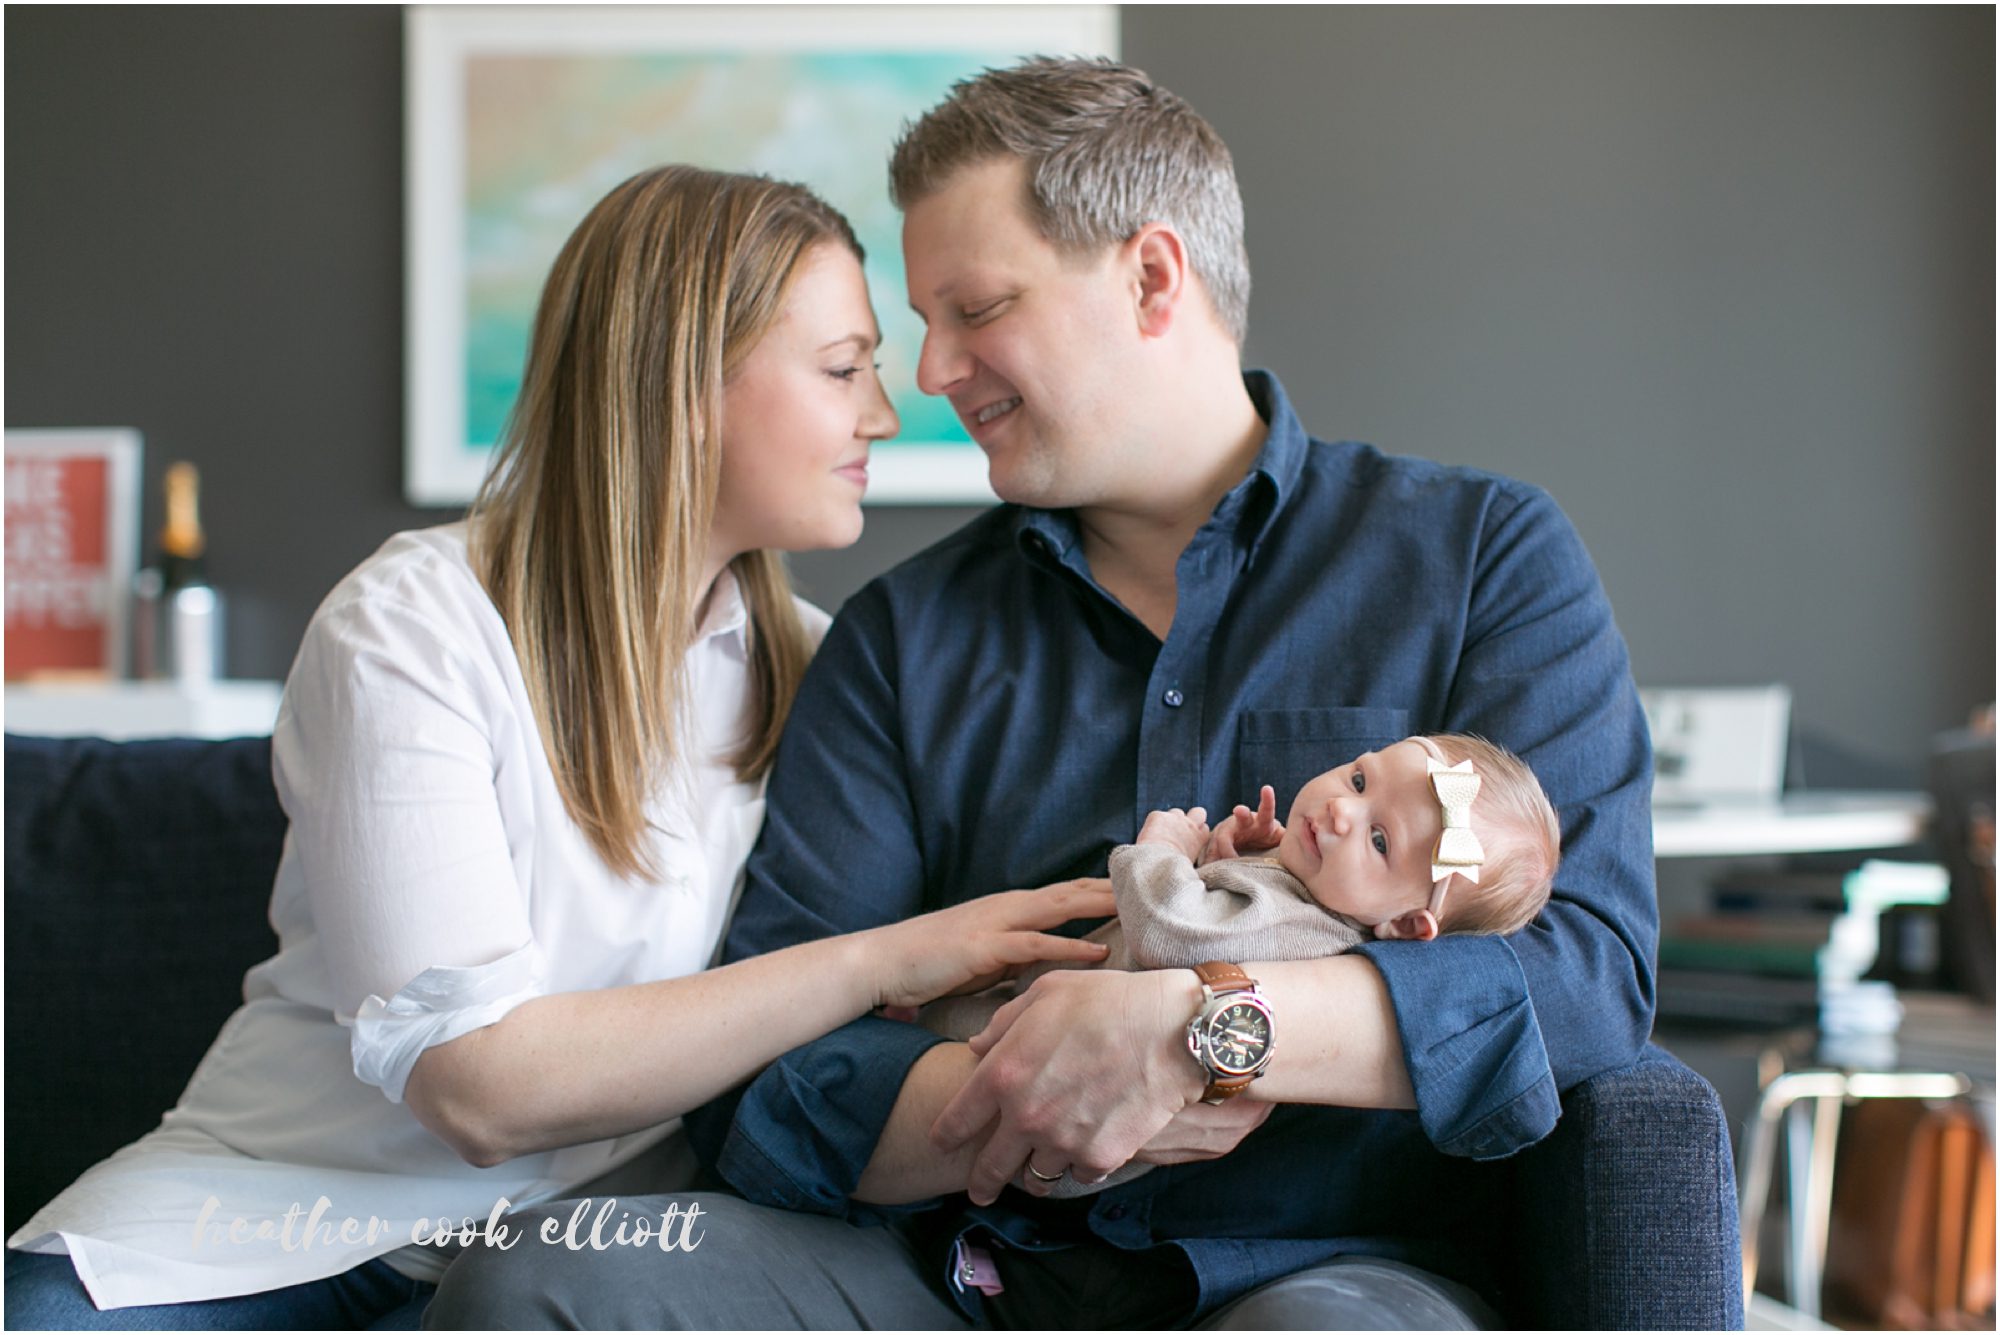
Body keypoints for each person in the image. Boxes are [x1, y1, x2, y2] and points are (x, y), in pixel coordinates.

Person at [425, 58, 1658, 1331]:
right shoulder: (900, 638)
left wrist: (1194, 1029)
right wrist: (1029, 1095)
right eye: (921, 320)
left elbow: (1587, 971)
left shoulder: (1477, 558)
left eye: (976, 308)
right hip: (946, 1280)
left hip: (1318, 1271)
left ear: (1151, 278)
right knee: (548, 1280)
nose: (931, 370)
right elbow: (774, 1084)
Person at [3, 166, 1117, 1329]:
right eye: (843, 369)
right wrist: (876, 960)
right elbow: (477, 1087)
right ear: (686, 384)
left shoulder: (826, 667)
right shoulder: (413, 626)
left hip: (584, 1259)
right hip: (271, 1230)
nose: (881, 413)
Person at [918, 731, 1561, 1200]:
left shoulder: (1304, 928)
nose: (1342, 809)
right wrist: (1242, 860)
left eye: (1379, 839)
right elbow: (1225, 917)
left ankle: (904, 1022)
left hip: (1078, 1096)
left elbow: (1172, 934)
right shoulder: (1312, 896)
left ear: (1402, 927)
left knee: (951, 1028)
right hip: (1065, 1029)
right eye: (1360, 780)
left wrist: (1164, 851)